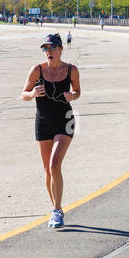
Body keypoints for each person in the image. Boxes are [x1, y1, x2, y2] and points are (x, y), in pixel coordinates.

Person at [21, 34, 80, 229]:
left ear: (61, 49)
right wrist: (32, 94)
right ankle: (57, 208)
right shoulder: (37, 70)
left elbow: (78, 91)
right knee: (48, 170)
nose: (48, 52)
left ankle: (56, 211)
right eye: (45, 49)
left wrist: (72, 95)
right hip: (43, 122)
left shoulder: (71, 70)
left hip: (65, 121)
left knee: (55, 164)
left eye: (52, 48)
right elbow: (24, 94)